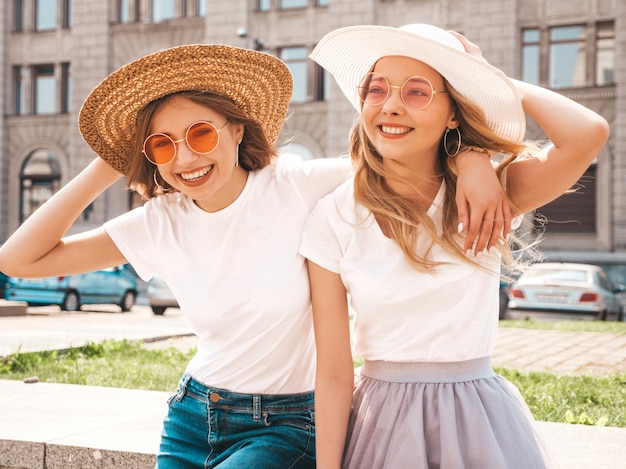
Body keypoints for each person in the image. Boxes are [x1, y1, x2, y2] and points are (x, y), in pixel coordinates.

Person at [0, 43, 512, 467]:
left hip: (287, 424)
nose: (185, 158)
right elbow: (18, 260)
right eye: (161, 146)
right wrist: (110, 163)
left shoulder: (298, 185)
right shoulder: (161, 222)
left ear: (237, 129)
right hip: (192, 413)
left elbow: (405, 161)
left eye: (201, 134)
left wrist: (470, 157)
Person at [300, 24, 609, 469]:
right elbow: (331, 373)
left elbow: (588, 133)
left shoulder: (491, 194)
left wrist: (486, 92)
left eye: (417, 93)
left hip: (477, 418)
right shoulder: (335, 215)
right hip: (384, 423)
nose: (389, 105)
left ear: (453, 112)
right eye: (377, 89)